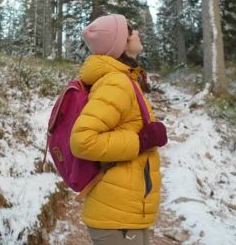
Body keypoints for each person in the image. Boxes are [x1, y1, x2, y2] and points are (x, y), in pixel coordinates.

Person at [70, 14, 168, 245]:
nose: (137, 34)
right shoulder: (116, 83)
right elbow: (82, 141)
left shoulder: (125, 79)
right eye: (131, 30)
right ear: (121, 42)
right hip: (116, 213)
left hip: (125, 208)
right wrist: (140, 141)